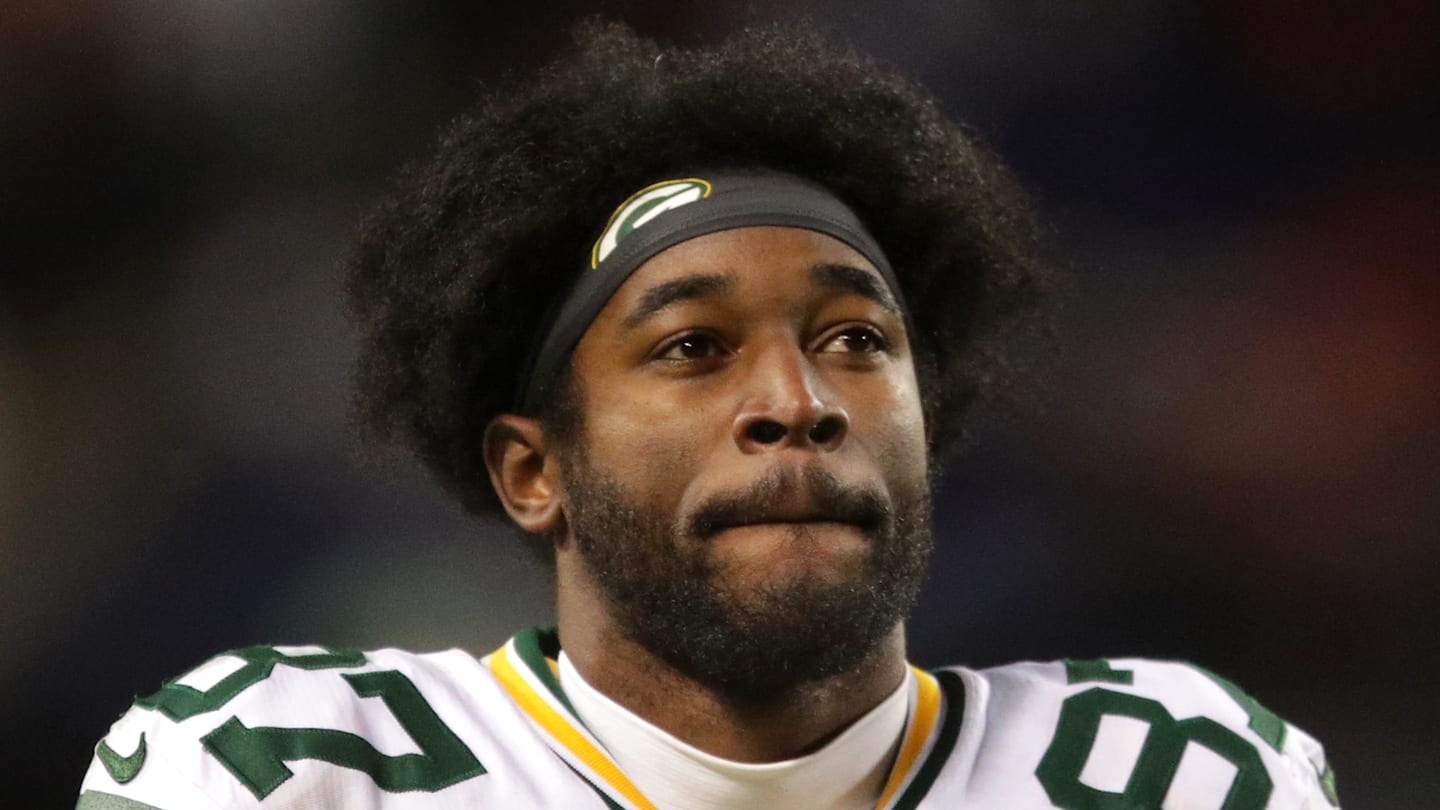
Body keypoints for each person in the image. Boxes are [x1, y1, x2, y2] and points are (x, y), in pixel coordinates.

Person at [77, 22, 1339, 810]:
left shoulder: (1174, 773)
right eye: (693, 348)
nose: (796, 403)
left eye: (856, 341)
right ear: (533, 471)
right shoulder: (294, 768)